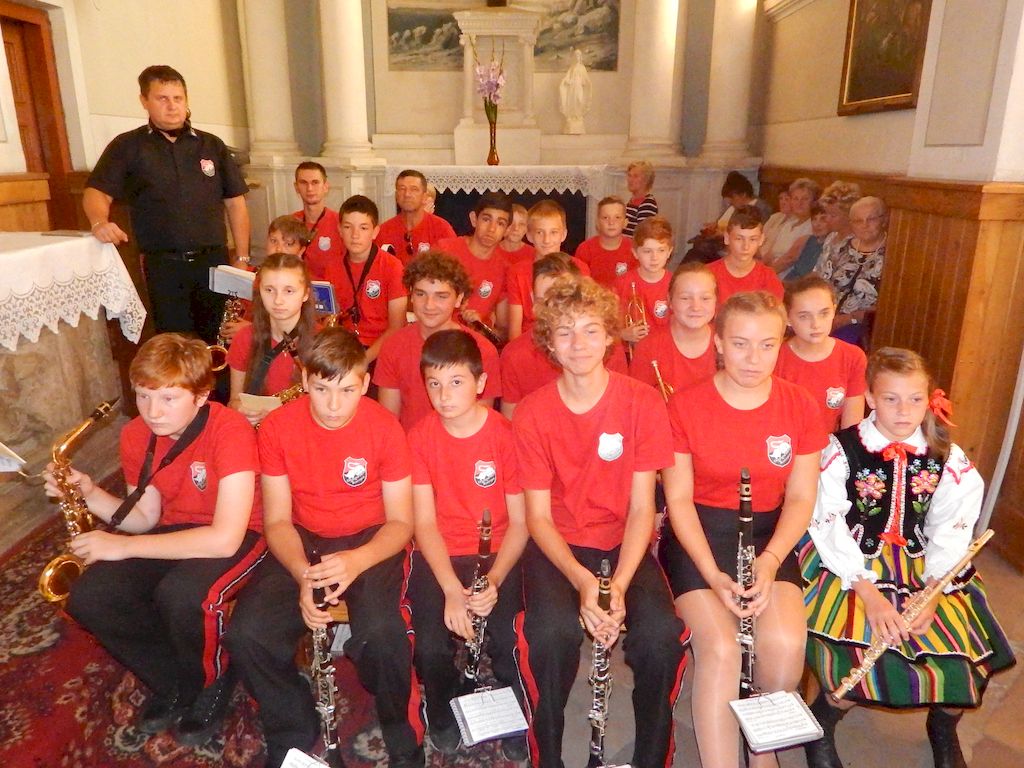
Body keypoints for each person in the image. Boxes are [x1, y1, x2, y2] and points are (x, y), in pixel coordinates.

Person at [800, 347, 1015, 768]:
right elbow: (827, 522)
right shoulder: (841, 450)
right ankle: (823, 721)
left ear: (929, 399)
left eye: (915, 399)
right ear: (870, 398)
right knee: (857, 648)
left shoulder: (946, 457)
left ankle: (943, 725)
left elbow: (952, 527)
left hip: (925, 567)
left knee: (956, 645)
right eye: (891, 399)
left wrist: (933, 591)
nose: (904, 411)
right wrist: (870, 595)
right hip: (851, 564)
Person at [49, 333, 265, 747]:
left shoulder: (230, 429)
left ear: (201, 396)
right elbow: (145, 517)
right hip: (176, 529)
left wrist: (122, 547)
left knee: (183, 595)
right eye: (144, 396)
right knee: (89, 597)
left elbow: (224, 539)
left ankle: (213, 681)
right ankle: (173, 680)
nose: (153, 411)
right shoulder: (136, 433)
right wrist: (89, 493)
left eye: (168, 398)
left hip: (242, 534)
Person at [224, 327, 424, 768]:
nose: (334, 405)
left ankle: (401, 733)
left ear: (365, 384)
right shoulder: (277, 427)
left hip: (370, 538)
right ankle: (293, 724)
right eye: (321, 389)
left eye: (347, 390)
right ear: (304, 379)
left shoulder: (385, 428)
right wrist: (303, 575)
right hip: (303, 538)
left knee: (383, 636)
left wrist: (356, 561)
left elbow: (401, 523)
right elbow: (277, 520)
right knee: (247, 634)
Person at [513, 276, 688, 768]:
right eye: (565, 332)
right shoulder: (532, 412)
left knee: (659, 638)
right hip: (560, 547)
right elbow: (537, 517)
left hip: (623, 544)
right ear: (549, 343)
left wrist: (618, 588)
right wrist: (583, 582)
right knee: (550, 636)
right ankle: (548, 756)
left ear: (610, 336)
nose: (579, 343)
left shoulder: (641, 402)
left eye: (591, 330)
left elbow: (642, 508)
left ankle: (652, 757)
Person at [660, 291, 826, 768]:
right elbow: (677, 500)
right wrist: (712, 575)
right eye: (740, 344)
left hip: (768, 537)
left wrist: (770, 562)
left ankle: (761, 747)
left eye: (767, 345)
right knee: (722, 647)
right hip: (699, 537)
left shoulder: (800, 405)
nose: (754, 358)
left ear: (781, 344)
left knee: (784, 648)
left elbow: (801, 497)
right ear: (718, 343)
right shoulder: (685, 405)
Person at [407, 329, 530, 761]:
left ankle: (515, 711)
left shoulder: (505, 435)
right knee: (429, 643)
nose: (444, 395)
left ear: (480, 383)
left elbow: (521, 523)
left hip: (498, 552)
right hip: (440, 552)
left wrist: (494, 581)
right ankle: (440, 709)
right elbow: (424, 523)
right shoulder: (419, 437)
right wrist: (450, 590)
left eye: (456, 382)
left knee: (510, 636)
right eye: (434, 384)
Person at [84, 65, 250, 342]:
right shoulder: (128, 146)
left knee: (220, 340)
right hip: (164, 267)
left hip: (214, 263)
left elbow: (236, 204)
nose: (172, 106)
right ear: (144, 101)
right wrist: (99, 222)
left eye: (178, 98)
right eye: (162, 98)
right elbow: (96, 191)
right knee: (175, 344)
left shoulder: (211, 145)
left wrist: (242, 258)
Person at [374, 251, 501, 431]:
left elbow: (481, 425)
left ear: (458, 299)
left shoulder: (482, 351)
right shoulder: (393, 346)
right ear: (411, 295)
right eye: (421, 294)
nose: (429, 305)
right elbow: (389, 423)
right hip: (410, 445)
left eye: (441, 296)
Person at [500, 255, 627, 419]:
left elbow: (621, 409)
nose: (553, 309)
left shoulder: (602, 346)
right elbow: (512, 421)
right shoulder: (514, 354)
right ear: (534, 301)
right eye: (544, 301)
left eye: (561, 300)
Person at [227, 252, 318, 427]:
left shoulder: (324, 341)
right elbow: (233, 401)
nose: (278, 300)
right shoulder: (244, 338)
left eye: (289, 291)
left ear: (306, 294)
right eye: (269, 290)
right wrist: (239, 409)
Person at [775, 275, 867, 435]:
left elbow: (851, 428)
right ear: (788, 318)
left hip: (830, 445)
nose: (815, 324)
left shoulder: (852, 357)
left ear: (834, 311)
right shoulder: (775, 357)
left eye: (824, 313)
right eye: (804, 316)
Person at [321, 195, 407, 363]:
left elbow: (396, 327)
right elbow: (329, 318)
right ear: (339, 230)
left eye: (363, 228)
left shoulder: (392, 266)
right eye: (348, 227)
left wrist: (363, 361)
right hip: (345, 348)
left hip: (381, 349)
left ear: (375, 232)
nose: (355, 235)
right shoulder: (333, 267)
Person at [505, 199, 590, 341]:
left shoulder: (579, 268)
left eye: (553, 232)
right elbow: (515, 331)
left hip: (568, 338)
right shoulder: (517, 272)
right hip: (530, 340)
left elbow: (585, 315)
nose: (546, 240)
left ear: (563, 235)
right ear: (529, 236)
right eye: (540, 232)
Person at [630, 262, 718, 395]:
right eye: (685, 298)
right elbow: (636, 400)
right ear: (669, 301)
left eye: (705, 298)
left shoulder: (729, 344)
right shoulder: (648, 347)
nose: (695, 307)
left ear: (716, 301)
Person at [815, 196, 888, 349]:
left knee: (838, 345)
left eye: (871, 219)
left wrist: (849, 319)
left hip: (864, 325)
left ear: (884, 220)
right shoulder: (841, 248)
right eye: (858, 221)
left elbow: (889, 304)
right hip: (827, 316)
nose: (865, 225)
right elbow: (822, 283)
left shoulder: (893, 254)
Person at [436, 192, 513, 332]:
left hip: (477, 340)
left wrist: (480, 326)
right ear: (474, 219)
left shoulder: (505, 269)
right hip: (438, 333)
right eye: (486, 219)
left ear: (507, 230)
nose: (492, 229)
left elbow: (502, 331)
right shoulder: (444, 250)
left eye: (500, 223)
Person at [778, 181, 860, 280]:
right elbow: (817, 271)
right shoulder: (831, 237)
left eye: (833, 215)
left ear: (849, 215)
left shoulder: (855, 244)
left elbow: (839, 282)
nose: (828, 219)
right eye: (827, 213)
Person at [614, 215, 675, 346]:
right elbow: (606, 326)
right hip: (631, 353)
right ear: (635, 253)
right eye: (647, 251)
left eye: (661, 250)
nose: (654, 257)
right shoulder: (621, 284)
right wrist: (623, 334)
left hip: (664, 350)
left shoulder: (676, 284)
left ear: (669, 252)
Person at [375, 169, 456, 265]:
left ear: (424, 197)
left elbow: (453, 267)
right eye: (402, 189)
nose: (407, 194)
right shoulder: (384, 231)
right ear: (396, 195)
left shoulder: (442, 229)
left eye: (414, 189)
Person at [708, 207, 785, 306]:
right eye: (739, 239)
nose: (746, 247)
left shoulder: (768, 277)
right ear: (727, 238)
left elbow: (774, 312)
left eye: (753, 239)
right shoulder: (708, 274)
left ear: (761, 240)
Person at [574, 196, 639, 289]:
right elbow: (580, 285)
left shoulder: (634, 250)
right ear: (597, 223)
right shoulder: (585, 249)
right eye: (605, 218)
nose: (611, 222)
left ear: (625, 223)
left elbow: (638, 284)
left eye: (617, 217)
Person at [292, 161, 342, 280]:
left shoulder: (341, 223)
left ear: (326, 187)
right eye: (303, 183)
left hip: (330, 288)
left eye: (315, 182)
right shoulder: (289, 223)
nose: (309, 188)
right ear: (296, 187)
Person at [761, 178, 819, 270]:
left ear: (814, 202)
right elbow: (771, 253)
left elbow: (790, 259)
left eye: (805, 199)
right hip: (771, 270)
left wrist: (767, 275)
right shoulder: (789, 223)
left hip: (787, 274)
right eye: (796, 199)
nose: (799, 203)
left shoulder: (812, 226)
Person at [776, 201, 828, 282]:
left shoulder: (830, 246)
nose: (817, 224)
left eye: (823, 219)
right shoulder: (808, 240)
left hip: (809, 285)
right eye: (814, 219)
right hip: (791, 281)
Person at [559, 47, 592, 134]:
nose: (577, 57)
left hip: (579, 87)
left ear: (580, 57)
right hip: (572, 87)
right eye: (576, 55)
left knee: (579, 100)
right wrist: (566, 81)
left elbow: (585, 79)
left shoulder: (582, 68)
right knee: (572, 101)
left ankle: (578, 116)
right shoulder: (572, 67)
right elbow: (567, 78)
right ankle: (572, 116)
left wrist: (586, 83)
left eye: (578, 55)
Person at [624, 160, 658, 238]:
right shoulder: (631, 201)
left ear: (646, 180)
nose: (630, 180)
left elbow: (643, 236)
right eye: (629, 175)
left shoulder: (648, 204)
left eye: (635, 176)